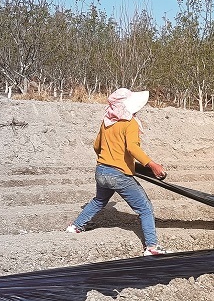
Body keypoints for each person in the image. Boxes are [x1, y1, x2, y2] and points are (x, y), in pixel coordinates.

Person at [66, 88, 170, 256]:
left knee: (99, 200)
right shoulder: (130, 123)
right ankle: (151, 247)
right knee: (145, 208)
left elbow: (96, 146)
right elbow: (132, 148)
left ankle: (76, 226)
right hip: (118, 174)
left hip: (101, 170)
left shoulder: (107, 121)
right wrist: (152, 165)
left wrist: (108, 159)